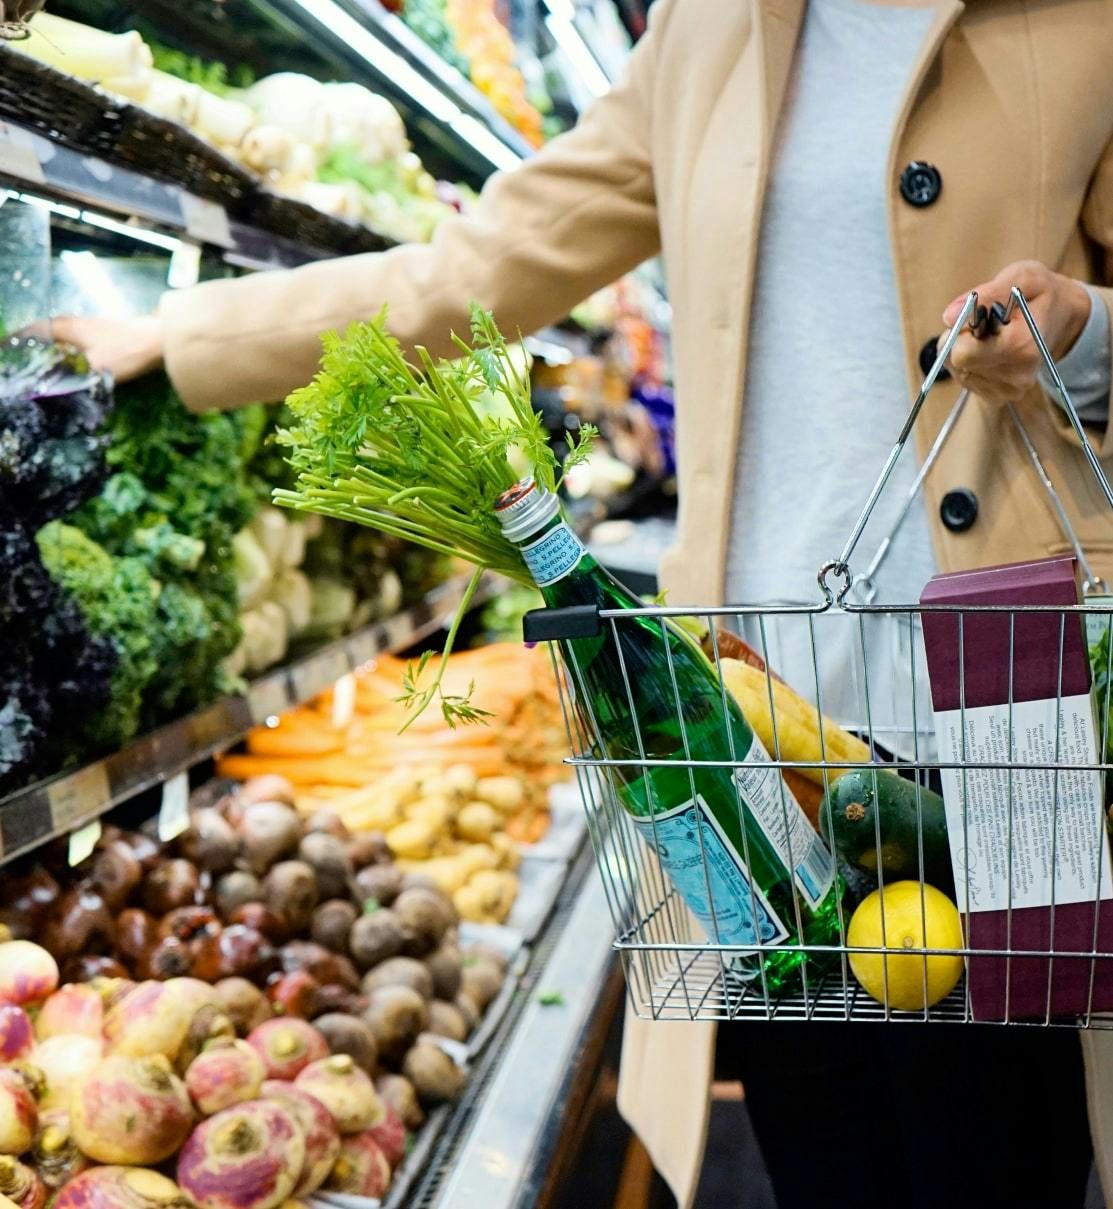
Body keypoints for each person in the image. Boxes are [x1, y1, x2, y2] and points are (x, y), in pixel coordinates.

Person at [52, 0, 1113, 1204]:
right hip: (741, 725)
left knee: (1006, 1154)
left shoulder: (1081, 24)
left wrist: (1082, 336)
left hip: (1013, 707)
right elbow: (475, 271)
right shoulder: (710, 36)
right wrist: (178, 333)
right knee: (827, 1155)